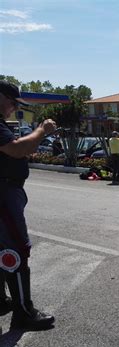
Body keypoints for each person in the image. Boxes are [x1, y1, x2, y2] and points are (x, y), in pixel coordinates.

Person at [0, 80, 56, 330]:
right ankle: (24, 312)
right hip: (3, 193)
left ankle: (1, 301)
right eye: (12, 102)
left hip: (6, 189)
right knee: (16, 250)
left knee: (1, 249)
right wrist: (41, 130)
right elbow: (15, 149)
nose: (13, 107)